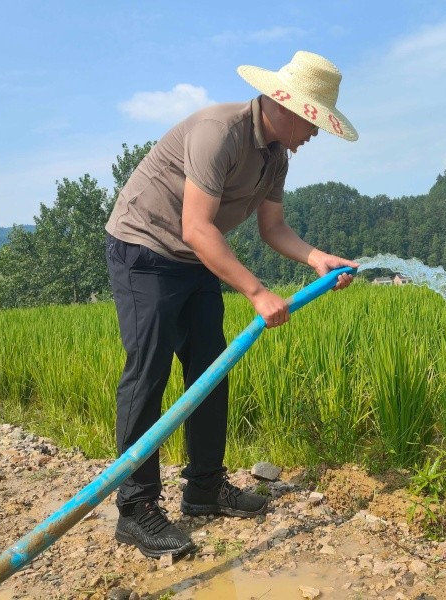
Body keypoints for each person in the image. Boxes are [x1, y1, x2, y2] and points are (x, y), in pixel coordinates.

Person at [104, 50, 359, 559]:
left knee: (210, 369)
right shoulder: (218, 132)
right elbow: (196, 227)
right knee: (148, 371)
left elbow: (273, 228)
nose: (314, 134)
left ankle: (202, 489)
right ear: (285, 106)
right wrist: (259, 293)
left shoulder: (276, 157)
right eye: (312, 121)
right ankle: (135, 510)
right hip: (144, 249)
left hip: (195, 257)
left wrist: (315, 258)